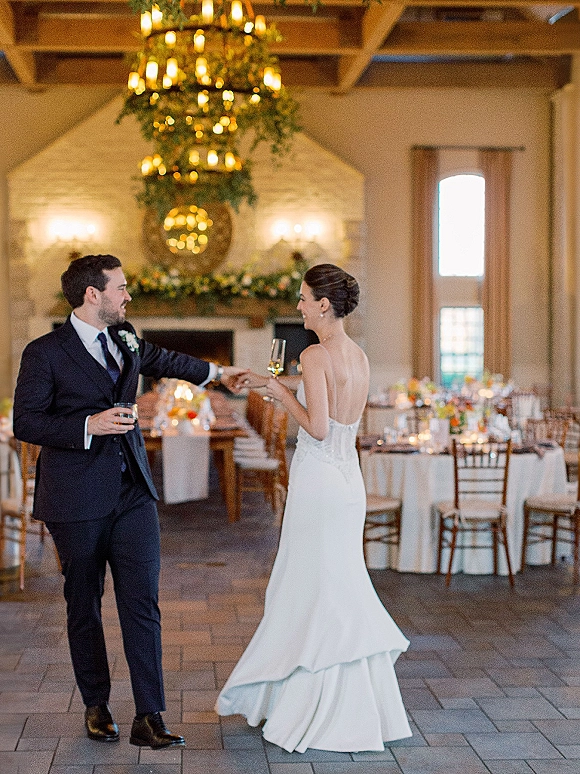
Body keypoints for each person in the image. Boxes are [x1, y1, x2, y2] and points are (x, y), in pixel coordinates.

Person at [12, 254, 247, 750]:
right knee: (85, 605)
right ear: (92, 295)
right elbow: (26, 423)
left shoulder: (125, 335)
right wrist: (86, 426)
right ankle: (97, 706)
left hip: (132, 493)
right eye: (120, 288)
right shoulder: (44, 352)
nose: (128, 295)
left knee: (142, 601)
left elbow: (164, 359)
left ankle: (149, 715)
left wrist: (219, 373)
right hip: (74, 498)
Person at [217, 263, 411, 753]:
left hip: (320, 480)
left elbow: (318, 427)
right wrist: (266, 381)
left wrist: (279, 392)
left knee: (310, 586)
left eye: (303, 298)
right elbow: (335, 413)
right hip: (348, 485)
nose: (299, 306)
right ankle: (347, 701)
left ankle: (312, 706)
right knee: (333, 583)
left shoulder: (315, 354)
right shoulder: (359, 356)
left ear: (324, 303)